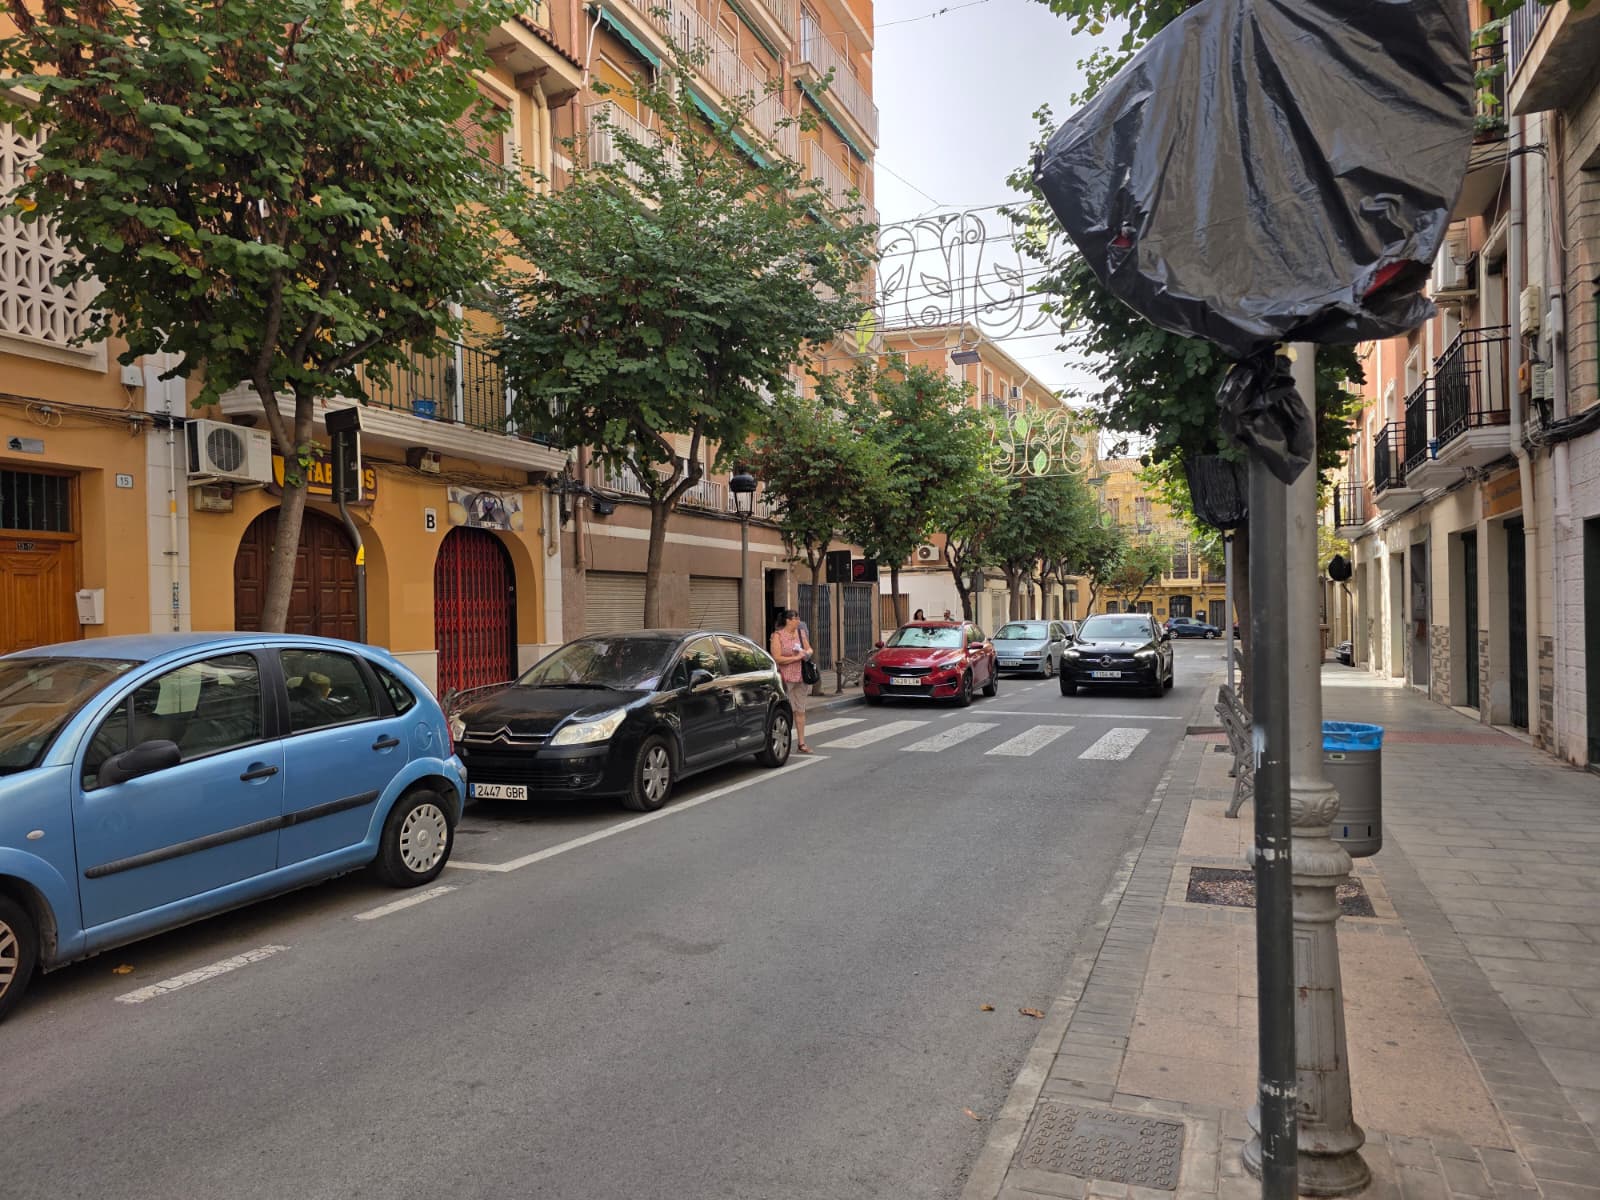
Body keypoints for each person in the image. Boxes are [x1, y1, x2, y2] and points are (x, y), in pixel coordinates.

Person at [770, 609, 814, 754]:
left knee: (800, 711)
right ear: (788, 620)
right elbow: (776, 658)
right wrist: (795, 658)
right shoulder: (777, 636)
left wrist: (806, 653)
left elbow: (809, 649)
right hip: (785, 678)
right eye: (796, 618)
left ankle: (802, 743)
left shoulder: (801, 634)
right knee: (786, 711)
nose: (799, 620)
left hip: (801, 677)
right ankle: (785, 741)